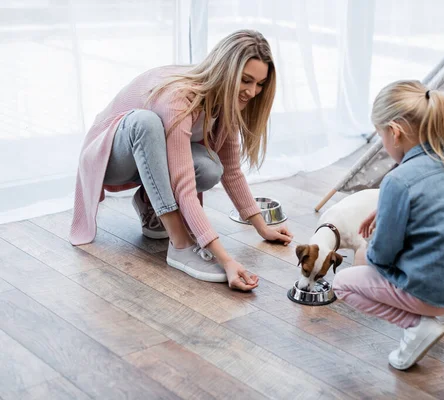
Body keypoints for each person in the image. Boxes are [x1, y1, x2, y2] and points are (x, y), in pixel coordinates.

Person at [70, 30, 292, 291]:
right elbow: (184, 186)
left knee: (211, 167)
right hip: (109, 158)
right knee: (146, 122)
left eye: (260, 84)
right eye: (246, 80)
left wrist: (262, 228)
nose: (252, 92)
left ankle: (149, 201)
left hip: (148, 161)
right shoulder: (179, 96)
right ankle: (180, 245)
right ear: (227, 71)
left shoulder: (228, 101)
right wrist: (225, 259)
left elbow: (230, 171)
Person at [332, 80, 444, 370]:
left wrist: (366, 249)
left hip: (433, 293)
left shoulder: (398, 180)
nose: (383, 144)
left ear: (395, 132)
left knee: (345, 281)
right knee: (432, 249)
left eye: (381, 136)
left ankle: (417, 324)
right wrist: (385, 208)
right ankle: (436, 316)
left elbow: (383, 254)